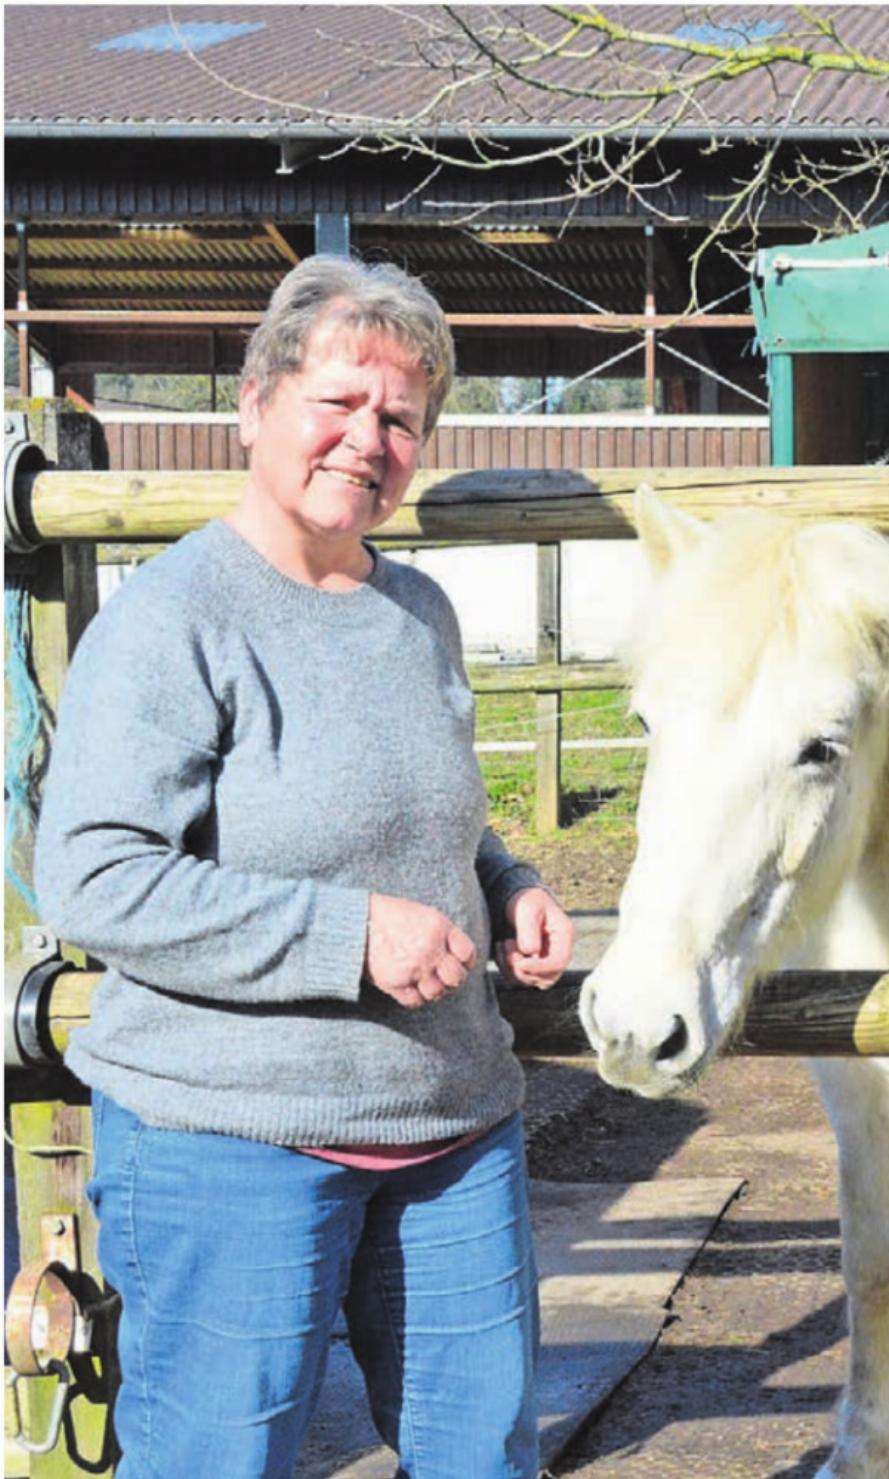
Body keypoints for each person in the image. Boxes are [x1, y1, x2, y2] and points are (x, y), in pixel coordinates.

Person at [35, 254, 576, 1479]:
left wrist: (505, 883)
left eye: (399, 418)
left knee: (486, 1458)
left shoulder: (418, 610)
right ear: (256, 405)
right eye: (338, 402)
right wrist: (348, 938)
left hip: (452, 1127)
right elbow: (96, 877)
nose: (366, 439)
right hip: (232, 1133)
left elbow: (426, 810)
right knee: (219, 1463)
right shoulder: (175, 621)